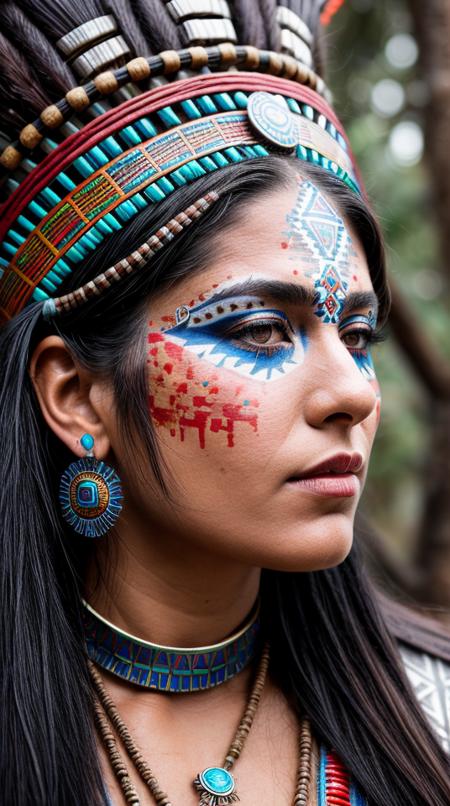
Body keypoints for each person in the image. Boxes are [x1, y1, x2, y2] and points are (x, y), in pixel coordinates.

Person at [0, 1, 449, 804]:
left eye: (357, 335)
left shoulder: (435, 713)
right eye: (261, 330)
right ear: (76, 396)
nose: (351, 392)